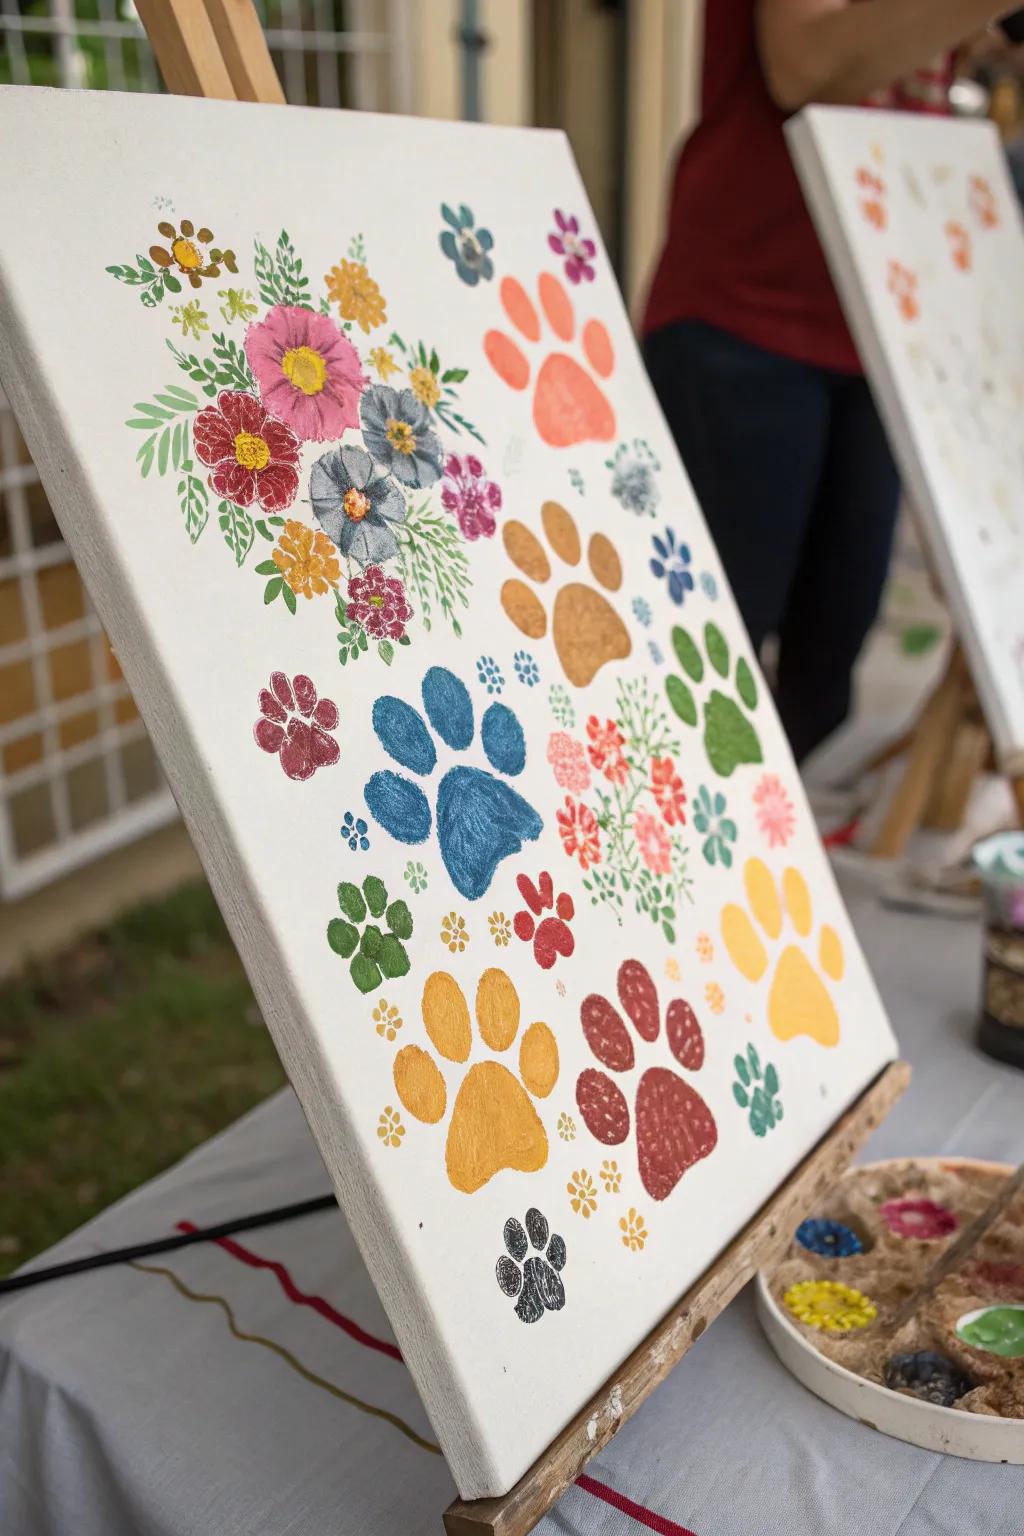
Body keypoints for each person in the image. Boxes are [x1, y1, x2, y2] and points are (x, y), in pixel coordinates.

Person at [643, 0, 1015, 762]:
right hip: (745, 310)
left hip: (881, 315)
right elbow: (802, 68)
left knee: (824, 680)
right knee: (701, 670)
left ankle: (763, 825)